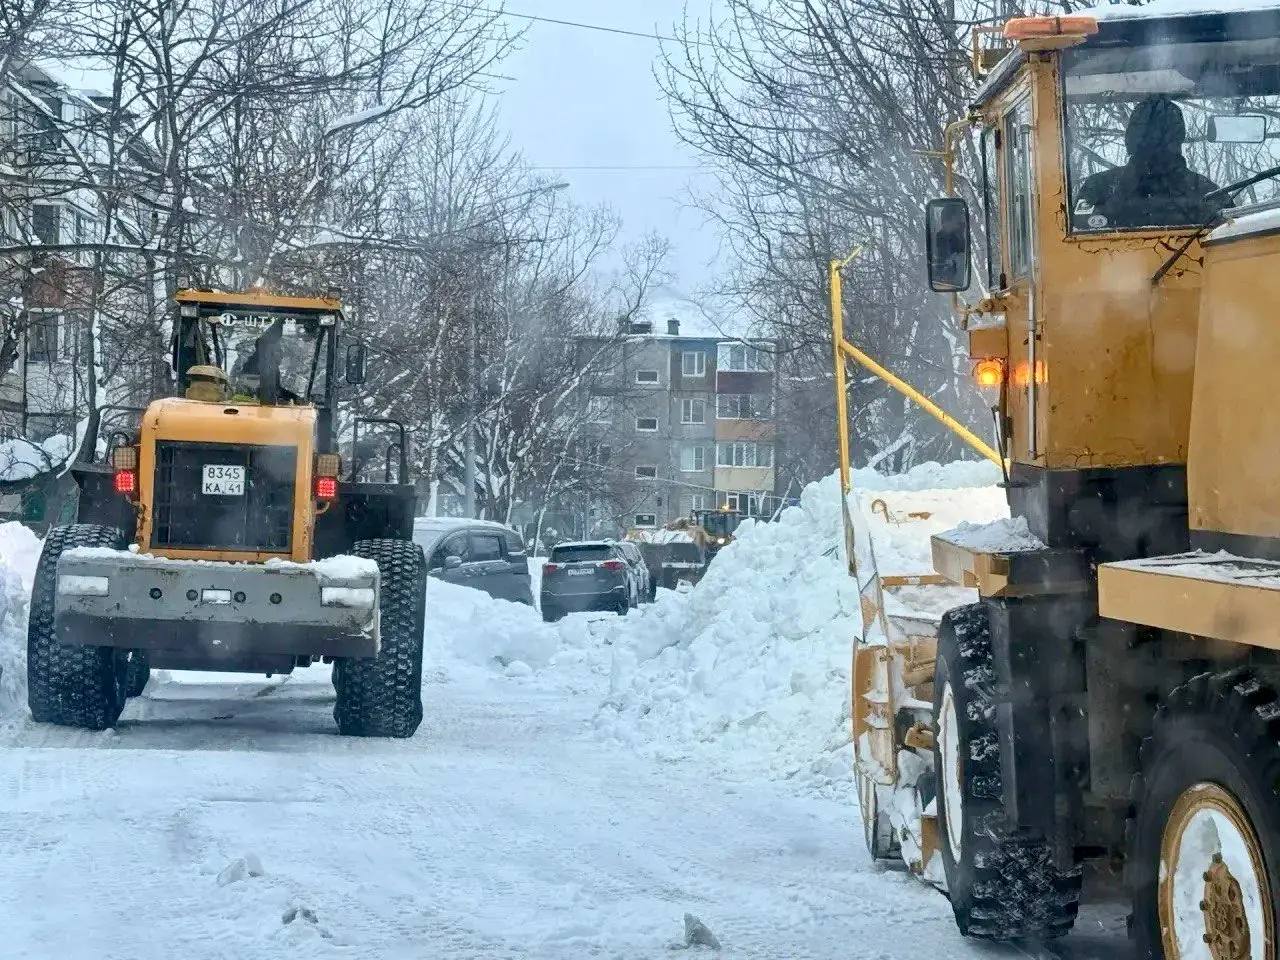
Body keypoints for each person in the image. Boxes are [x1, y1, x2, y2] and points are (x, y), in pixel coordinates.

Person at [1075, 96, 1222, 230]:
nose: (1153, 149)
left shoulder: (1100, 186)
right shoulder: (1204, 190)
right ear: (1178, 139)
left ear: (1130, 139)